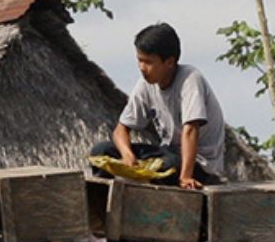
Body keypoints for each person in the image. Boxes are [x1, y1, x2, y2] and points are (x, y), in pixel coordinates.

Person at [90, 23, 227, 190]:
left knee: (168, 166)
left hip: (198, 163)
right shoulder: (145, 84)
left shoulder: (190, 78)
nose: (142, 68)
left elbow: (191, 130)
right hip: (166, 153)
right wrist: (127, 155)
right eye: (139, 60)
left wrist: (185, 177)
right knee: (101, 150)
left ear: (169, 62)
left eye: (148, 62)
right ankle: (100, 201)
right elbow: (121, 130)